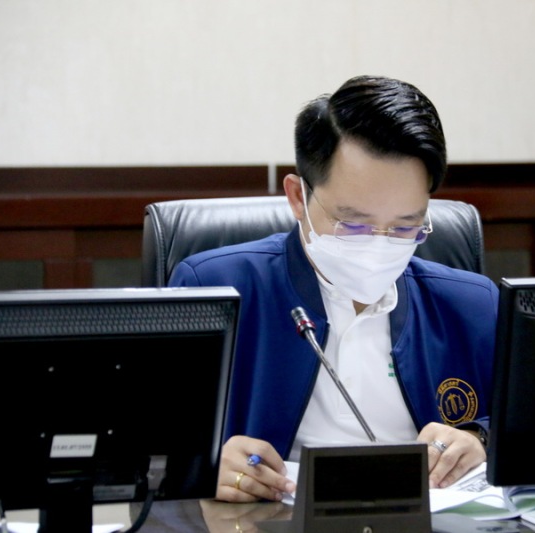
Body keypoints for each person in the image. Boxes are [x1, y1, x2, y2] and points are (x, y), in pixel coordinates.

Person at [168, 75, 499, 503]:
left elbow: (532, 428)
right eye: (354, 224)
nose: (379, 244)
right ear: (297, 197)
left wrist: (478, 439)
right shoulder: (215, 289)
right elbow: (154, 451)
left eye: (405, 226)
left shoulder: (472, 305)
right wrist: (206, 466)